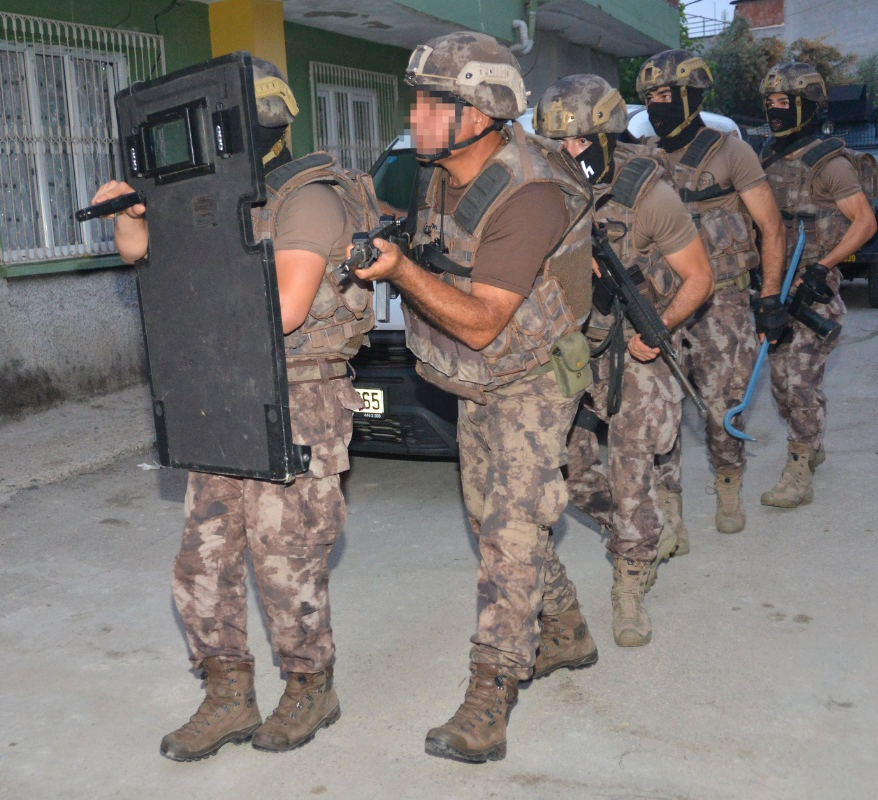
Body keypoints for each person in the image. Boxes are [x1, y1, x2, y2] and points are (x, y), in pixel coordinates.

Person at [91, 57, 374, 761]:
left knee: (286, 557)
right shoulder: (215, 196)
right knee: (205, 556)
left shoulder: (305, 198)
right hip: (221, 388)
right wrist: (129, 217)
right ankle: (226, 693)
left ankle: (312, 685)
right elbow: (142, 258)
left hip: (299, 396)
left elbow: (280, 311)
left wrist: (189, 288)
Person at [352, 31, 595, 763]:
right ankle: (568, 631)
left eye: (435, 103)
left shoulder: (529, 192)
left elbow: (486, 320)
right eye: (418, 99)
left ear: (484, 111)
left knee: (512, 532)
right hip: (476, 380)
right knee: (491, 518)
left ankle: (490, 694)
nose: (416, 115)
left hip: (529, 379)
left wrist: (398, 272)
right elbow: (440, 253)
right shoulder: (441, 171)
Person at [536, 74, 713, 647]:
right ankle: (641, 526)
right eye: (558, 143)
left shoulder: (647, 195)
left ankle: (630, 584)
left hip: (634, 344)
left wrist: (658, 333)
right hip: (570, 349)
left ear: (608, 135)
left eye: (581, 142)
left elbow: (699, 278)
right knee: (566, 466)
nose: (569, 154)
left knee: (630, 463)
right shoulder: (545, 188)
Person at [636, 49, 789, 536]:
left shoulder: (730, 152)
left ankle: (727, 486)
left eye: (665, 95)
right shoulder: (641, 157)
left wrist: (769, 300)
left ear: (691, 95)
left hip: (721, 301)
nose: (656, 106)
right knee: (658, 412)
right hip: (659, 301)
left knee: (723, 406)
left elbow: (771, 228)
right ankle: (671, 515)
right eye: (650, 97)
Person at [758, 62, 877, 507]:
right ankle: (810, 440)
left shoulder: (829, 165)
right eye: (769, 104)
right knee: (779, 383)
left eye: (783, 104)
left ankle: (798, 471)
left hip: (813, 288)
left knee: (800, 382)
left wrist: (822, 266)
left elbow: (863, 222)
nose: (774, 112)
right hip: (776, 284)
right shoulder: (770, 155)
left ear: (806, 106)